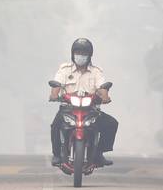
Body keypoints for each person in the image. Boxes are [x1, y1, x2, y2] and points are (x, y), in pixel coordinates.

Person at [49, 38, 118, 166]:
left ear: (89, 56)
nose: (81, 55)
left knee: (111, 124)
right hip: (68, 109)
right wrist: (54, 95)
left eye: (84, 53)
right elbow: (57, 84)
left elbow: (102, 86)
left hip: (91, 110)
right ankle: (57, 154)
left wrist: (105, 97)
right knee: (55, 125)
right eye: (78, 52)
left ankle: (99, 153)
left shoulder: (96, 71)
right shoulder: (65, 69)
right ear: (73, 54)